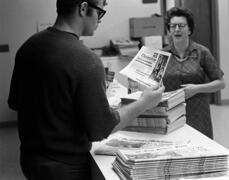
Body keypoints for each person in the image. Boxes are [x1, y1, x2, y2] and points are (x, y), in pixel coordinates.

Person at [7, 0, 164, 179]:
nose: (99, 19)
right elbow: (101, 128)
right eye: (100, 12)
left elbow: (17, 103)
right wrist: (145, 102)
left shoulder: (28, 47)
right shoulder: (86, 60)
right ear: (83, 8)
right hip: (65, 169)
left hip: (30, 161)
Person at [162, 7, 225, 139]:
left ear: (189, 30)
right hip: (171, 113)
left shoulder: (202, 52)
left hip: (198, 113)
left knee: (200, 148)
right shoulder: (162, 55)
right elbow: (152, 82)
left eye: (181, 25)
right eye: (173, 26)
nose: (177, 29)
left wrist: (197, 89)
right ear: (169, 30)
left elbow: (220, 83)